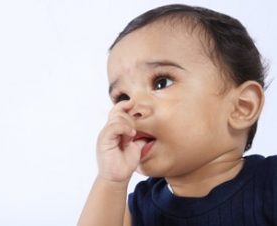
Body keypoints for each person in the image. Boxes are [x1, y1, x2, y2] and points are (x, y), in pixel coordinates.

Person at [77, 4, 277, 226]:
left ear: (242, 107)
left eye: (161, 82)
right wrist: (111, 181)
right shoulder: (140, 208)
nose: (132, 107)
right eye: (122, 97)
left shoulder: (270, 183)